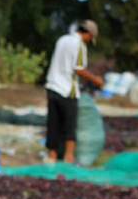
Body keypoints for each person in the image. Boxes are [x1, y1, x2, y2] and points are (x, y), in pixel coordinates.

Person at [45, 19, 105, 163]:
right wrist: (95, 79)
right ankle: (68, 156)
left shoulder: (62, 39)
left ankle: (52, 157)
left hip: (52, 86)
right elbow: (77, 68)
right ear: (88, 34)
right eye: (91, 38)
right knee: (69, 125)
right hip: (67, 90)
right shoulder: (79, 44)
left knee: (53, 124)